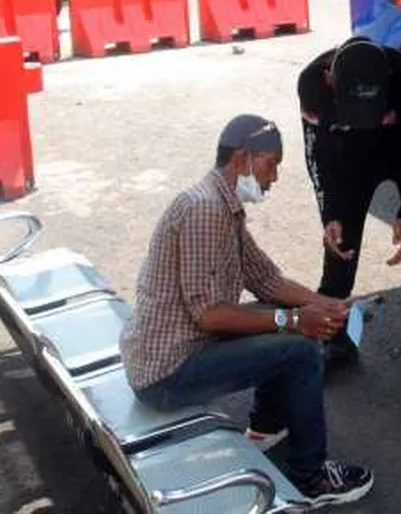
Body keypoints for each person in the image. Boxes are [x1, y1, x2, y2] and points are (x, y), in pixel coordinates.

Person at [119, 114, 374, 508]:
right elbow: (208, 315)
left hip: (181, 346)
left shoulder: (224, 205)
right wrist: (293, 320)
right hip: (167, 372)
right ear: (242, 158)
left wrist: (327, 303)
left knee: (280, 316)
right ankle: (311, 477)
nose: (274, 177)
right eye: (271, 164)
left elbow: (267, 279)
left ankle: (265, 428)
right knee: (301, 349)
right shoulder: (204, 210)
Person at [298, 38, 401, 398]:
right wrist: (329, 215)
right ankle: (335, 339)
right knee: (339, 246)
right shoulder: (312, 85)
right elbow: (318, 159)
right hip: (351, 158)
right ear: (331, 81)